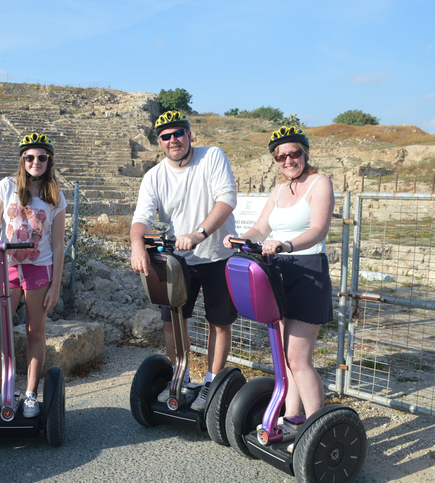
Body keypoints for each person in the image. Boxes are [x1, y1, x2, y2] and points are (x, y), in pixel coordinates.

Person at [223, 126, 334, 431]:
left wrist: (287, 244)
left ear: (305, 153)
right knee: (284, 356)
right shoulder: (278, 191)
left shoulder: (319, 183)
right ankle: (292, 416)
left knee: (298, 357)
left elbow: (318, 230)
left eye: (294, 153)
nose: (288, 160)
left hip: (308, 271)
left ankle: (316, 429)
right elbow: (260, 230)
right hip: (278, 272)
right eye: (281, 156)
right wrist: (237, 238)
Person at [130, 110, 238, 412]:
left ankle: (211, 382)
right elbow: (141, 218)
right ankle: (183, 376)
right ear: (160, 143)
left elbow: (227, 199)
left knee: (218, 322)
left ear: (190, 135)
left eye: (179, 133)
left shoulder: (212, 157)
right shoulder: (154, 176)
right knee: (173, 322)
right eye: (166, 136)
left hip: (217, 255)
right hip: (177, 260)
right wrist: (137, 245)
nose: (173, 140)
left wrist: (199, 233)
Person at [0, 132, 66, 419]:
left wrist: (55, 286)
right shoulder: (6, 187)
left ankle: (30, 393)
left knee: (35, 331)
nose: (36, 162)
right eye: (30, 157)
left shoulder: (55, 197)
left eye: (42, 157)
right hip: (7, 267)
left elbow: (58, 244)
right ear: (22, 159)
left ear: (49, 161)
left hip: (38, 269)